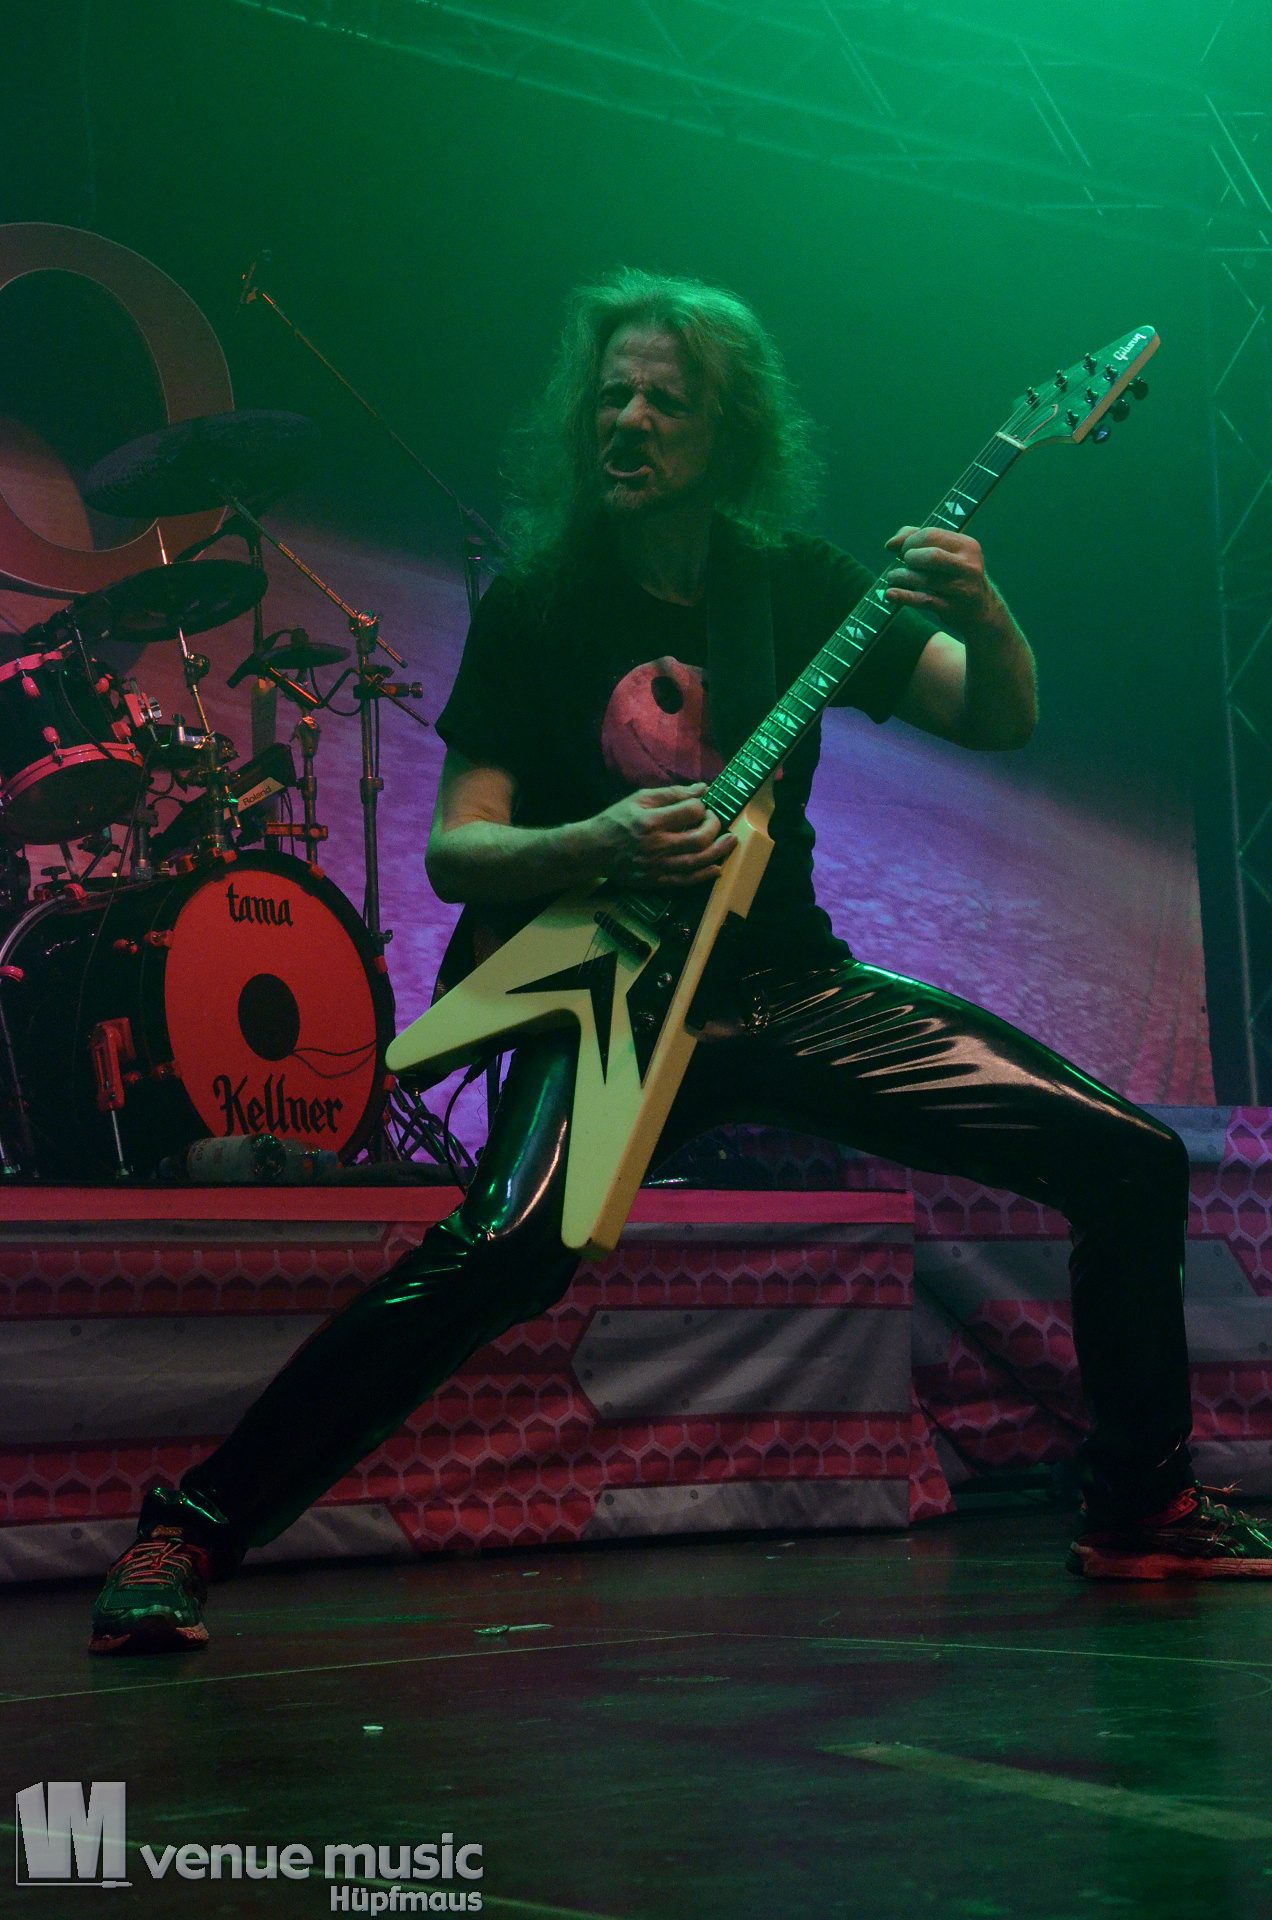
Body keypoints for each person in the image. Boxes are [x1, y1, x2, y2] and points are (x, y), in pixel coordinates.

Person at [89, 268, 1272, 1653]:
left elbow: (994, 718)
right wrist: (593, 838)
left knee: (1129, 1159)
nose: (630, 421)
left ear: (730, 432)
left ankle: (1140, 1507)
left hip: (787, 987)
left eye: (664, 400)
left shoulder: (801, 586)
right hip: (609, 995)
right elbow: (458, 850)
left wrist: (989, 608)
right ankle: (191, 1526)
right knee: (502, 1250)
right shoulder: (539, 601)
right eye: (612, 398)